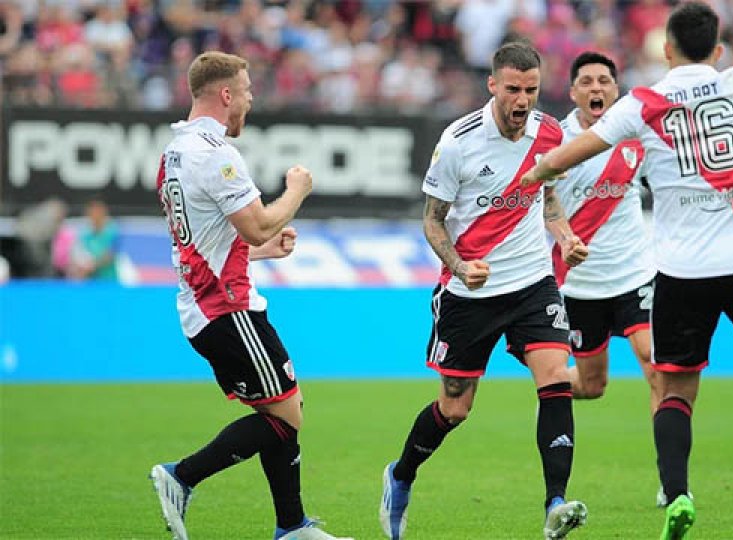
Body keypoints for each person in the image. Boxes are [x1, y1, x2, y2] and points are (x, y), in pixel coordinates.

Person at [520, 3, 733, 539]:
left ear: (665, 49)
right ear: (717, 49)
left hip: (679, 273)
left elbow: (568, 155)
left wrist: (533, 173)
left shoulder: (642, 103)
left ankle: (679, 497)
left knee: (674, 391)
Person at [379, 41, 590, 540]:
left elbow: (550, 197)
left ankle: (554, 505)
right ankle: (401, 475)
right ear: (492, 85)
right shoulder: (458, 142)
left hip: (533, 283)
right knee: (454, 406)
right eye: (514, 89)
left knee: (557, 374)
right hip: (470, 292)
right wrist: (459, 264)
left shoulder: (549, 132)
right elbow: (431, 220)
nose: (523, 100)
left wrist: (565, 236)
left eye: (532, 90)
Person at [149, 51, 352, 540]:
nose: (249, 101)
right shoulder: (216, 153)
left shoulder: (174, 154)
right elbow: (259, 221)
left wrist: (257, 253)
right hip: (228, 310)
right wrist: (297, 190)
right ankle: (182, 475)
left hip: (209, 304)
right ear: (225, 95)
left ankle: (292, 526)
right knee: (288, 414)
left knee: (279, 409)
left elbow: (203, 246)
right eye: (246, 92)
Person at [554, 51, 677, 507]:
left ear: (616, 90)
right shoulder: (556, 141)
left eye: (604, 80)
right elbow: (540, 200)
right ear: (573, 93)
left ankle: (671, 480)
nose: (595, 88)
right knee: (591, 385)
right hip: (581, 286)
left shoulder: (636, 138)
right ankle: (548, 378)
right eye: (585, 81)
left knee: (655, 366)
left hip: (635, 276)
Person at [70, 199, 120, 280]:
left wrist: (92, 266)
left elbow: (110, 255)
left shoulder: (113, 231)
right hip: (90, 281)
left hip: (108, 279)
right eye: (92, 212)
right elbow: (78, 254)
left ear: (103, 212)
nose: (95, 215)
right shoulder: (84, 234)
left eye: (97, 212)